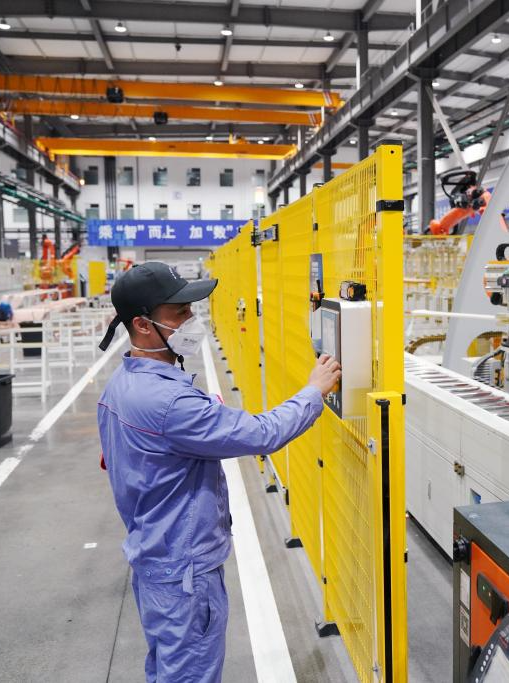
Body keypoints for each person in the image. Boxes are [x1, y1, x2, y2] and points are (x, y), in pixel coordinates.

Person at [96, 262, 340, 683]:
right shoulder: (169, 402)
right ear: (142, 324)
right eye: (179, 313)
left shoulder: (120, 386)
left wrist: (198, 420)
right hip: (185, 575)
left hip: (154, 560)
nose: (192, 320)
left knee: (168, 669)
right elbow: (263, 433)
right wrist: (314, 391)